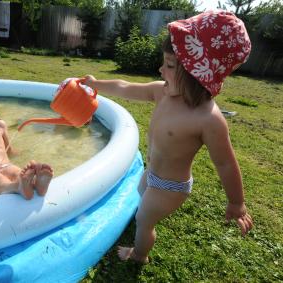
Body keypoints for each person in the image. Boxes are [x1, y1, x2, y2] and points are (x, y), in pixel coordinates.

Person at [82, 10, 253, 264]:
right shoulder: (162, 92)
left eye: (170, 65)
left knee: (144, 220)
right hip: (151, 173)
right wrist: (97, 84)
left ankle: (139, 255)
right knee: (141, 197)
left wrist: (237, 203)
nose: (161, 69)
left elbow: (225, 163)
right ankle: (144, 218)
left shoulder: (208, 119)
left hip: (171, 187)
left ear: (199, 74)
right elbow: (126, 87)